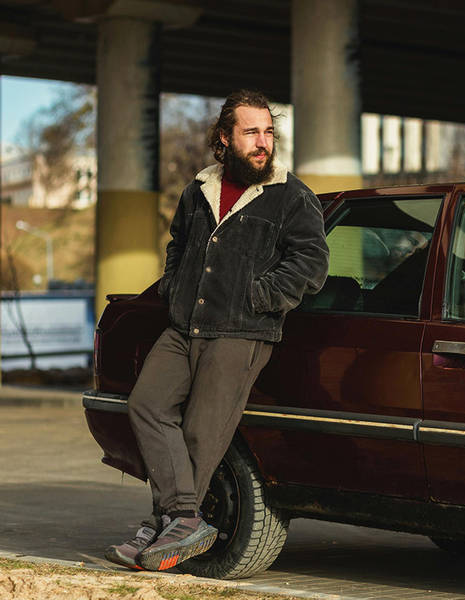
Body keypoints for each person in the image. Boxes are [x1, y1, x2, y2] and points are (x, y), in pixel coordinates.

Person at [105, 90, 329, 571]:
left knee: (201, 433)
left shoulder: (292, 196)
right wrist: (174, 289)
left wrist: (260, 298)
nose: (263, 142)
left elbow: (311, 263)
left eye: (268, 132)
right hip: (185, 324)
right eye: (251, 132)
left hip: (241, 332)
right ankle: (181, 519)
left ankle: (167, 524)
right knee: (147, 405)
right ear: (225, 138)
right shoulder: (198, 189)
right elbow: (178, 245)